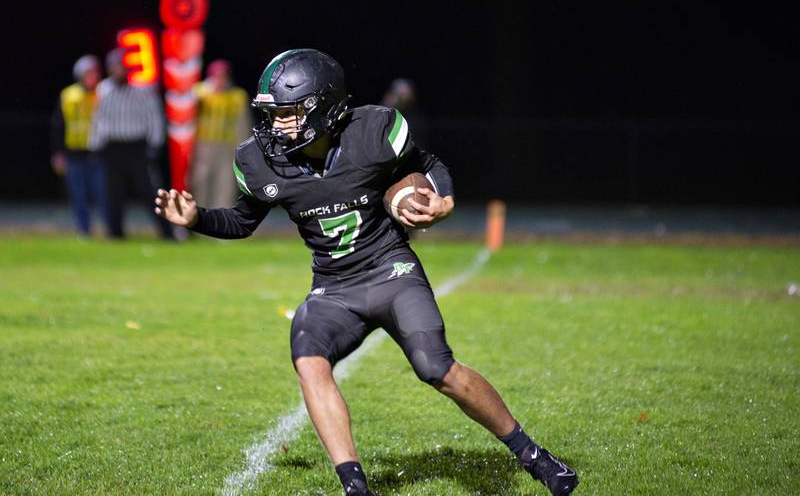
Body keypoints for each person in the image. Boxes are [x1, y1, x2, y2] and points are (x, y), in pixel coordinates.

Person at [154, 49, 577, 495]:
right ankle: (354, 486)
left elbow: (427, 165)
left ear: (322, 107)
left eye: (287, 113)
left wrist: (444, 200)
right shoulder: (261, 162)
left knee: (437, 368)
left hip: (391, 271)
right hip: (334, 288)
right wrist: (197, 217)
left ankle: (532, 455)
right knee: (308, 357)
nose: (275, 125)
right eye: (272, 115)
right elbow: (243, 221)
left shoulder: (371, 131)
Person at [90, 48, 173, 240]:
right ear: (109, 69)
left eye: (121, 67)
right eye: (115, 67)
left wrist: (154, 144)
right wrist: (95, 144)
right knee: (113, 192)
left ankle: (166, 231)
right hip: (112, 147)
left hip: (136, 146)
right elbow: (99, 119)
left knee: (148, 191)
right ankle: (115, 233)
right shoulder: (104, 89)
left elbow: (154, 117)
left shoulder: (142, 90)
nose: (118, 70)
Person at [50, 55, 109, 236]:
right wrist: (58, 153)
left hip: (98, 152)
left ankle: (110, 229)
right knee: (78, 195)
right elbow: (58, 125)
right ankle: (83, 230)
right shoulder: (68, 95)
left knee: (103, 193)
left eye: (94, 73)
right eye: (88, 73)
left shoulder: (103, 93)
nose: (92, 77)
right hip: (74, 153)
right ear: (79, 75)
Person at [188, 59, 253, 208]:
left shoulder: (237, 96)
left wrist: (243, 150)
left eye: (223, 75)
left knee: (226, 183)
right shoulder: (200, 93)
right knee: (201, 181)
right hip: (203, 146)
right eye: (217, 75)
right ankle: (200, 215)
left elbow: (243, 124)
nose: (220, 79)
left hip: (227, 146)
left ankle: (221, 217)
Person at [381, 77, 430, 151]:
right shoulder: (382, 113)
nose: (404, 99)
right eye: (401, 95)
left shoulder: (415, 119)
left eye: (406, 96)